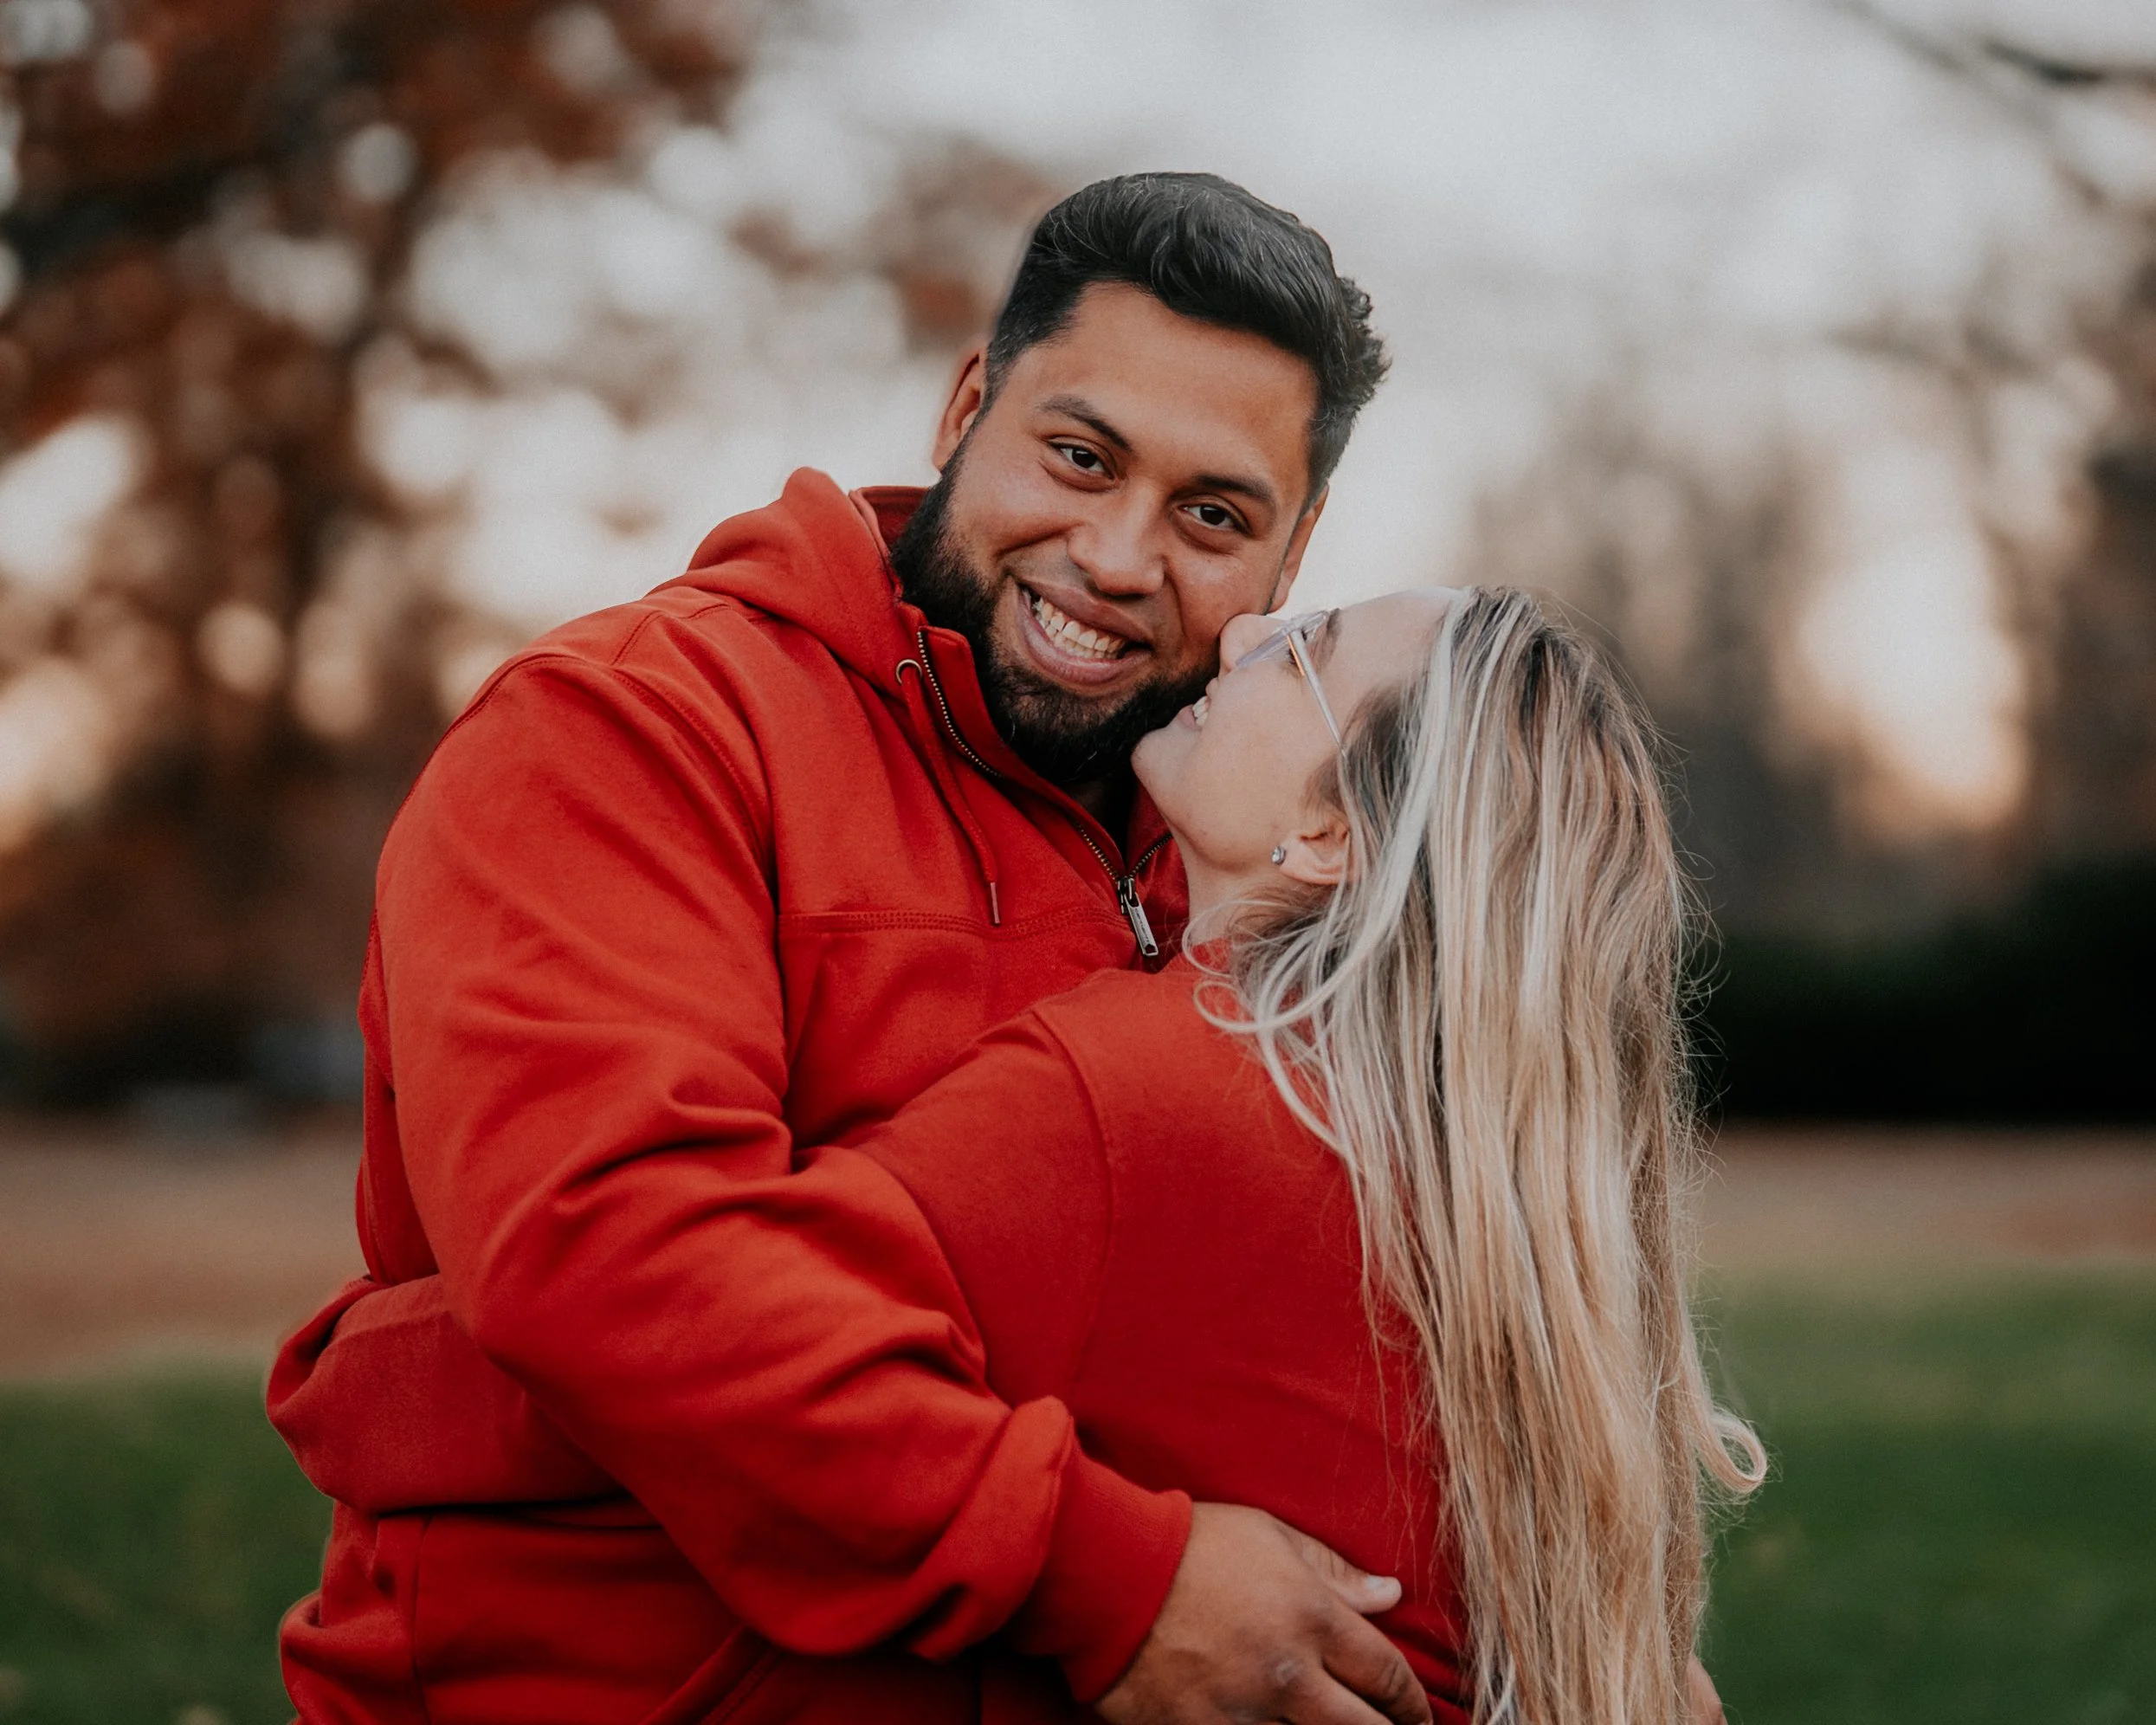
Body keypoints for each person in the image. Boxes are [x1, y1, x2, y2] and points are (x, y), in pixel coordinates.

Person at [268, 172, 1433, 1725]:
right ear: (965, 408)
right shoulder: (634, 725)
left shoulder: (1234, 848)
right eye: (1077, 457)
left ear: (1287, 564)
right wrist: (1102, 1570)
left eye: (1211, 515)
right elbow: (613, 1256)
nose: (1114, 554)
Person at [834, 585, 1770, 1724]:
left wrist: (1104, 1570)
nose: (1240, 633)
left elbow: (739, 1346)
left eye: (1301, 652)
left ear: (1332, 834)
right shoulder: (1459, 1158)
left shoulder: (1140, 1088)